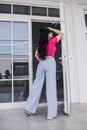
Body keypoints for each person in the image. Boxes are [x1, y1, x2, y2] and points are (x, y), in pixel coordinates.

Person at [25, 27, 64, 120]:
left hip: (42, 62)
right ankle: (51, 114)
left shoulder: (40, 44)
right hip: (50, 61)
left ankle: (29, 108)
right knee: (51, 87)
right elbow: (62, 33)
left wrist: (42, 61)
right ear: (47, 34)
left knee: (36, 85)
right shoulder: (52, 41)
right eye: (50, 33)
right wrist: (51, 28)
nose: (52, 34)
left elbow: (36, 55)